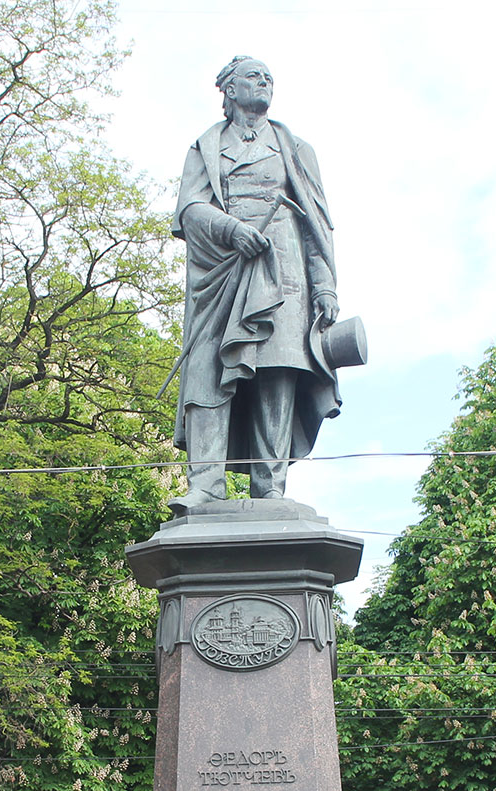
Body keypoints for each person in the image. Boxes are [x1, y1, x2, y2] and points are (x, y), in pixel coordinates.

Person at [169, 56, 344, 512]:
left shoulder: (295, 148)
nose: (264, 81)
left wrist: (325, 286)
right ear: (229, 89)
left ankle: (270, 487)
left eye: (269, 77)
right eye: (253, 75)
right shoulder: (205, 147)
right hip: (222, 272)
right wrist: (230, 230)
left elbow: (316, 226)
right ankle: (206, 484)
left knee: (276, 370)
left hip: (283, 272)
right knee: (208, 371)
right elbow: (189, 209)